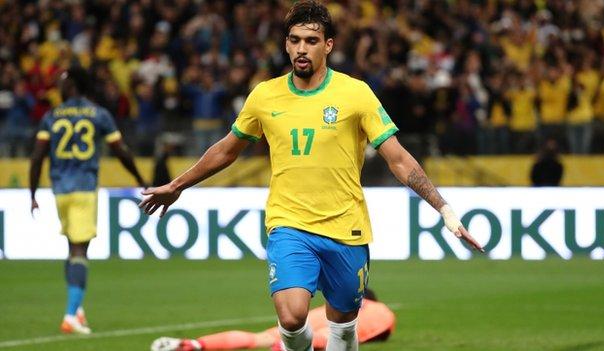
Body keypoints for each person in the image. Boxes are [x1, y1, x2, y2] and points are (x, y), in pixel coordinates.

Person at [139, 2, 484, 350]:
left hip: (346, 228)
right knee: (291, 318)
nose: (301, 48)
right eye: (294, 40)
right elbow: (227, 149)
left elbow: (398, 159)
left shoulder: (355, 94)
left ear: (328, 45)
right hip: (289, 223)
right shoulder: (264, 95)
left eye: (311, 40)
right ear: (286, 44)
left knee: (343, 324)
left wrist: (443, 208)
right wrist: (177, 185)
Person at [29, 66, 146, 334]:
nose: (58, 85)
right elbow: (120, 151)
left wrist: (33, 193)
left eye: (62, 80)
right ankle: (70, 315)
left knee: (72, 247)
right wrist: (140, 179)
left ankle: (77, 309)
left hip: (59, 189)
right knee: (80, 251)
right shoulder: (98, 114)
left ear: (73, 85)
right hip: (84, 188)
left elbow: (37, 156)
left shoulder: (52, 116)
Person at [150, 289, 395, 351]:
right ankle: (281, 348)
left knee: (263, 336)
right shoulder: (381, 310)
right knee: (331, 336)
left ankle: (196, 344)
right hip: (347, 317)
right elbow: (385, 331)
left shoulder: (325, 307)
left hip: (323, 311)